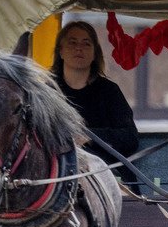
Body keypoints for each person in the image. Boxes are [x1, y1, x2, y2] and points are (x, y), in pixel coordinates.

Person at [51, 20, 140, 174]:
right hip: (58, 173)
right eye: (72, 42)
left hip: (108, 174)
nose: (79, 48)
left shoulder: (109, 91)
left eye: (86, 44)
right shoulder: (47, 91)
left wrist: (89, 136)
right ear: (61, 51)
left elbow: (130, 138)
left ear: (94, 54)